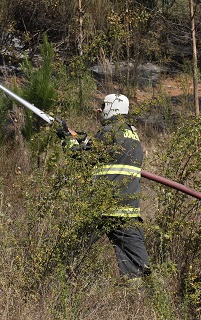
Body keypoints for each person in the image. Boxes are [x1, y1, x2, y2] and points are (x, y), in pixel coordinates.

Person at [57, 93, 150, 280]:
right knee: (138, 269)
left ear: (112, 108)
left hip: (104, 207)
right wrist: (79, 137)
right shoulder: (132, 133)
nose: (99, 110)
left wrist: (65, 137)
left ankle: (62, 286)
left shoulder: (109, 131)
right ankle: (139, 302)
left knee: (72, 253)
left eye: (103, 105)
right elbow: (98, 149)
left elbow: (80, 155)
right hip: (128, 213)